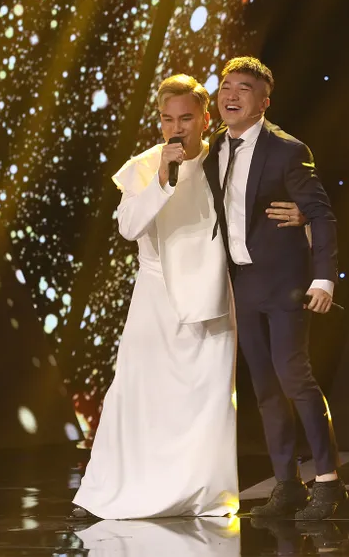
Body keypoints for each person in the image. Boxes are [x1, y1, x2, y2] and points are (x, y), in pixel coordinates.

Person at [71, 75, 305, 520]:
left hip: (211, 292)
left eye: (185, 118)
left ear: (204, 119)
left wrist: (302, 213)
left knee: (206, 400)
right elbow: (129, 227)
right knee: (137, 394)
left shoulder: (223, 159)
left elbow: (256, 201)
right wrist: (162, 179)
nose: (176, 128)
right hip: (155, 297)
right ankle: (110, 489)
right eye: (167, 119)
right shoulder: (145, 165)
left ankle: (199, 493)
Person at [203, 56, 347, 520]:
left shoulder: (286, 149)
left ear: (264, 102)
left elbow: (321, 213)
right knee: (265, 388)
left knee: (295, 378)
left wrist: (323, 278)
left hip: (285, 283)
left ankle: (329, 482)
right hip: (243, 283)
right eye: (226, 86)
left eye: (243, 88)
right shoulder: (213, 148)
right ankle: (288, 484)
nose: (231, 95)